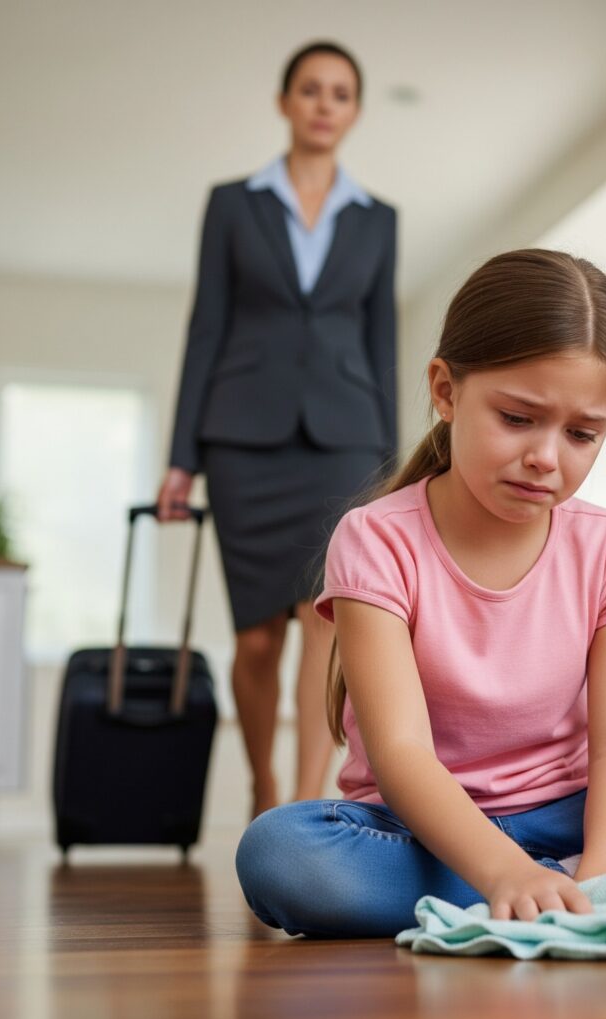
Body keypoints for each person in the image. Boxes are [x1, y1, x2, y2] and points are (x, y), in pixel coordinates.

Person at [234, 249, 606, 940]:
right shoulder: (375, 539)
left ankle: (578, 884)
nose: (547, 457)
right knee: (281, 856)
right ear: (445, 390)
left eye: (583, 433)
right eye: (518, 418)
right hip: (418, 823)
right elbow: (402, 754)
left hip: (573, 808)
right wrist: (502, 869)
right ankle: (556, 887)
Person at [157, 41, 397, 817]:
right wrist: (180, 457)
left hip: (344, 441)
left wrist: (394, 466)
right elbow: (206, 328)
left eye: (340, 93)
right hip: (243, 439)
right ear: (285, 101)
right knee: (258, 639)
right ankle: (262, 781)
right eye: (311, 90)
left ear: (354, 111)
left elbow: (380, 340)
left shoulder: (377, 219)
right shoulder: (234, 203)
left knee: (322, 623)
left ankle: (301, 811)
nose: (325, 104)